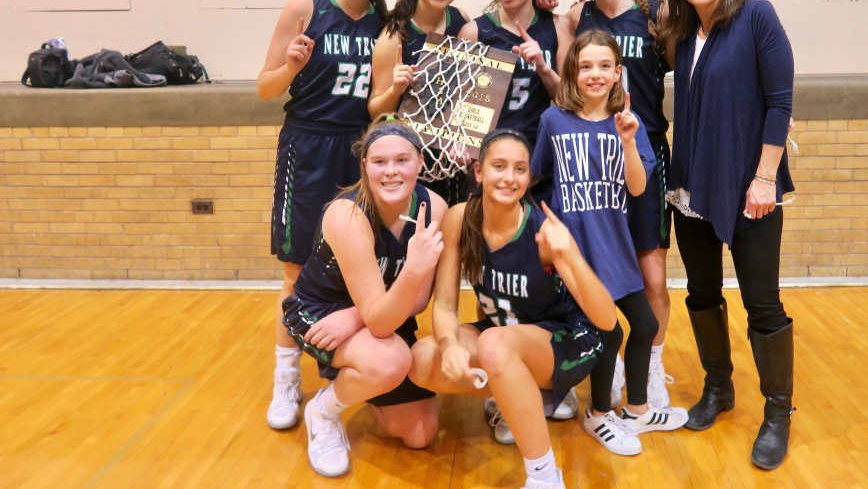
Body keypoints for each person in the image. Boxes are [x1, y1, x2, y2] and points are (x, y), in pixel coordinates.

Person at [657, 0, 796, 470]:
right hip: (691, 186)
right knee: (701, 293)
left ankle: (778, 413)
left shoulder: (756, 17)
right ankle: (719, 388)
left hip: (750, 187)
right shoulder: (681, 30)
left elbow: (780, 103)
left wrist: (765, 178)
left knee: (763, 303)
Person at [409, 128, 616, 489]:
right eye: (499, 166)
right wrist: (449, 344)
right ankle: (519, 393)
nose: (509, 177)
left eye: (520, 169)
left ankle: (545, 477)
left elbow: (606, 320)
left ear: (530, 177)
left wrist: (569, 254)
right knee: (422, 361)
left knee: (493, 345)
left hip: (567, 339)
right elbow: (444, 303)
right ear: (478, 171)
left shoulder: (542, 232)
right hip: (504, 336)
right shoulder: (460, 218)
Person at [257, 0, 394, 432]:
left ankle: (351, 372)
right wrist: (291, 66)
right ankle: (286, 378)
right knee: (295, 270)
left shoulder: (385, 23)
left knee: (359, 269)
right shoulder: (306, 10)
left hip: (360, 151)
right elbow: (266, 90)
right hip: (308, 144)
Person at [531, 31, 688, 456]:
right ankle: (599, 414)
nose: (595, 74)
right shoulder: (554, 121)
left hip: (614, 245)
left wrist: (627, 140)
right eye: (586, 66)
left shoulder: (628, 124)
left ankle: (636, 408)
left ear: (618, 73)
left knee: (647, 325)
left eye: (605, 66)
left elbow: (638, 188)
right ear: (573, 72)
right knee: (607, 332)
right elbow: (535, 175)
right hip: (577, 252)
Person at [281, 117, 448, 477]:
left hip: (377, 312)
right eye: (379, 162)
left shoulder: (434, 207)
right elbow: (385, 314)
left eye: (402, 160)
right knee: (389, 362)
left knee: (421, 433)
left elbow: (417, 301)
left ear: (421, 162)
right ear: (365, 166)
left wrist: (358, 317)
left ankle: (362, 378)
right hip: (322, 312)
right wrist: (371, 311)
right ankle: (324, 411)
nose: (391, 172)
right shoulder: (348, 214)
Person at [562, 0, 675, 409]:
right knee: (597, 275)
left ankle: (650, 364)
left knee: (652, 279)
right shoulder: (574, 16)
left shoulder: (657, 13)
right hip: (593, 161)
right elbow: (564, 87)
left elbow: (689, 74)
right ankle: (600, 366)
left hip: (643, 153)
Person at [369, 0, 471, 205]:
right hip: (410, 161)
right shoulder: (394, 36)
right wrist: (395, 89)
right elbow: (375, 111)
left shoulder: (462, 22)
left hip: (453, 158)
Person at [458, 0, 575, 145]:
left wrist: (543, 67)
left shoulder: (559, 27)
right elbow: (460, 108)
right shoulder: (473, 33)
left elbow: (571, 103)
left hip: (540, 154)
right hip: (490, 157)